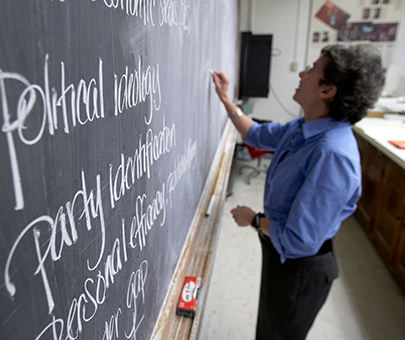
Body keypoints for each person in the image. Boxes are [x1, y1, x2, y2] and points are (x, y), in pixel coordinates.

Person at [211, 44, 385, 340]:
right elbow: (255, 134)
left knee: (277, 333)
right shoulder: (305, 128)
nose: (302, 74)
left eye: (312, 70)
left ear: (327, 91)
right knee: (268, 328)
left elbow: (298, 240)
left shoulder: (332, 155)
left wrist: (253, 219)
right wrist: (226, 99)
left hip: (300, 271)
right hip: (280, 253)